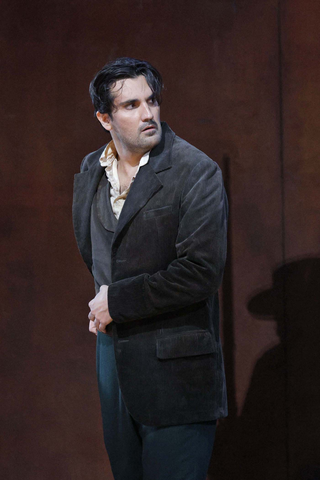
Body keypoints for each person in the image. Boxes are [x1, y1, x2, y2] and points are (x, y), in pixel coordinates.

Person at [73, 57, 228, 480]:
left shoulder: (196, 172)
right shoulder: (91, 170)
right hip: (115, 365)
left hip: (178, 373)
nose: (148, 114)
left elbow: (200, 272)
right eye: (131, 105)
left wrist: (116, 301)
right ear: (104, 118)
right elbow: (101, 253)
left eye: (152, 101)